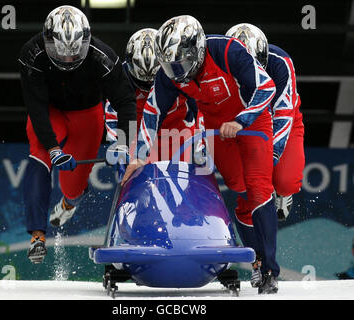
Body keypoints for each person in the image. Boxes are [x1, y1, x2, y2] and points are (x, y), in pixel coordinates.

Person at [122, 15, 279, 294]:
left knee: (258, 188)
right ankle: (255, 258)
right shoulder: (170, 75)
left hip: (252, 123)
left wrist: (242, 120)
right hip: (219, 131)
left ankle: (269, 268)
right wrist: (140, 155)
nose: (176, 71)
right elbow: (152, 113)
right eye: (169, 66)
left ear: (197, 50)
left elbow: (266, 87)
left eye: (180, 64)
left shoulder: (228, 51)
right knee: (238, 186)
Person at [19, 5, 136, 264]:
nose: (68, 60)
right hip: (50, 110)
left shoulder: (102, 57)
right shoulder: (32, 53)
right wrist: (53, 148)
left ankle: (69, 204)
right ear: (48, 41)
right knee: (40, 157)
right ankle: (38, 235)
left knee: (73, 185)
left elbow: (126, 102)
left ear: (86, 41)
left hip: (88, 114)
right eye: (61, 52)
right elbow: (35, 106)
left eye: (75, 53)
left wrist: (127, 144)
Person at [225, 23, 305, 287]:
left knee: (282, 180)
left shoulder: (281, 62)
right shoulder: (221, 63)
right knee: (244, 188)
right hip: (243, 124)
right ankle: (258, 260)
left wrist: (269, 159)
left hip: (282, 123)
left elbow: (283, 114)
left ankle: (282, 192)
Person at [105, 28, 204, 162]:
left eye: (152, 82)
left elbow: (200, 106)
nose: (148, 88)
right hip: (137, 134)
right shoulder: (121, 77)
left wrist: (200, 141)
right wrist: (118, 144)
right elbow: (113, 112)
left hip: (176, 131)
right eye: (143, 81)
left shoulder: (180, 70)